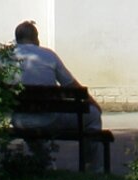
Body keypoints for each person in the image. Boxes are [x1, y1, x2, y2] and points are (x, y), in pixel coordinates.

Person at [9, 21, 103, 165]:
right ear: (36, 38)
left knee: (31, 122)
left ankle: (43, 163)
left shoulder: (4, 56)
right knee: (93, 115)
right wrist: (93, 103)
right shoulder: (48, 56)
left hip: (19, 120)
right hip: (49, 119)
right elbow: (72, 86)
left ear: (17, 39)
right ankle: (93, 167)